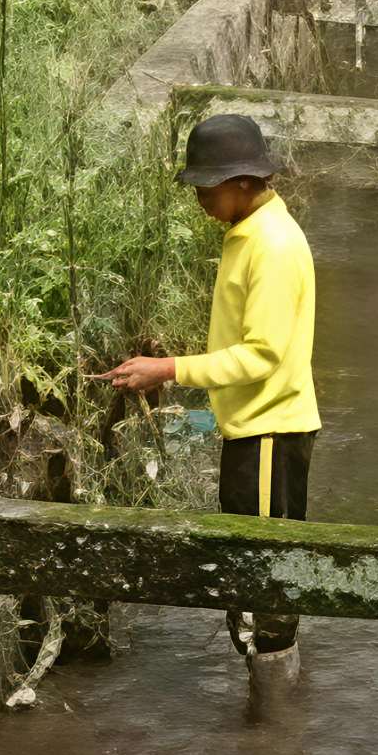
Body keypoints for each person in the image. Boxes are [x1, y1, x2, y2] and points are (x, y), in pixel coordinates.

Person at [106, 113, 319, 673]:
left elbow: (262, 354)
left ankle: (273, 736)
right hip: (253, 426)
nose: (200, 197)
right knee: (250, 576)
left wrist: (169, 369)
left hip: (271, 428)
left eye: (208, 186)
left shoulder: (271, 246)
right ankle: (270, 731)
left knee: (264, 586)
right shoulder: (247, 234)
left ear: (244, 183)